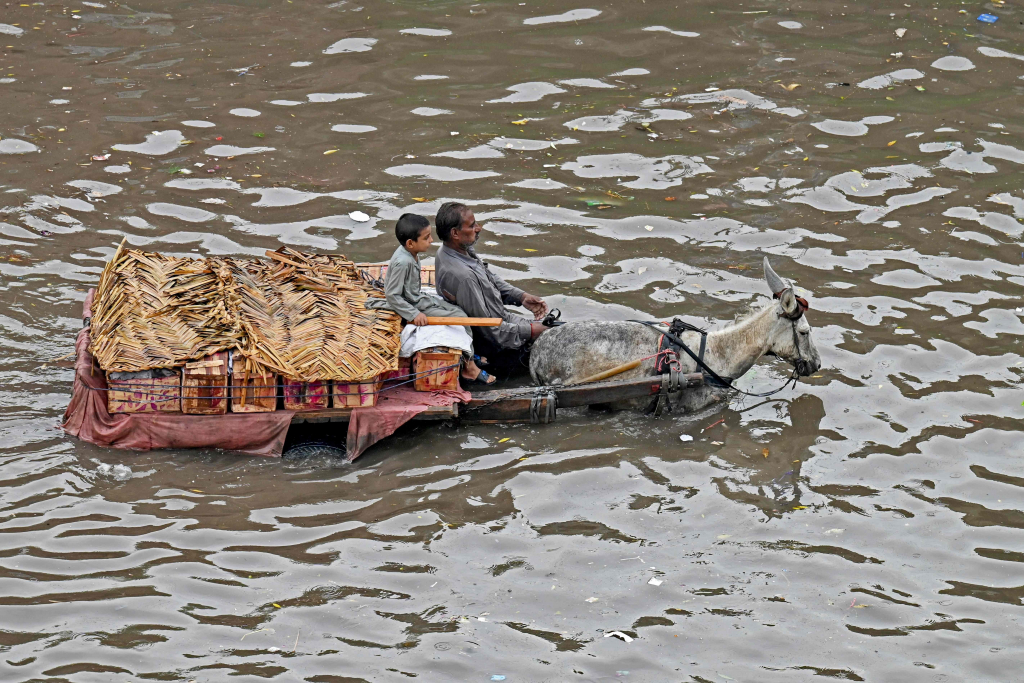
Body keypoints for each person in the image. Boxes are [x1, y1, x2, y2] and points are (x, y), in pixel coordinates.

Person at [374, 213, 494, 385]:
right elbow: (392, 295)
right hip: (411, 304)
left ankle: (469, 353)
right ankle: (470, 369)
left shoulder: (411, 252)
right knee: (460, 318)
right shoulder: (403, 262)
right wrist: (413, 314)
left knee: (460, 311)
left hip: (417, 298)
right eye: (426, 237)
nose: (431, 240)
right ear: (410, 243)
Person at [433, 202, 549, 377]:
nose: (478, 228)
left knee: (555, 329)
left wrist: (520, 296)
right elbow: (491, 331)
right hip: (496, 349)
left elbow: (490, 278)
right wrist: (532, 331)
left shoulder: (456, 250)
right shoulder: (464, 277)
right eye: (472, 226)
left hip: (502, 321)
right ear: (455, 233)